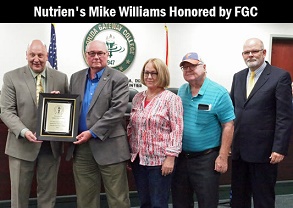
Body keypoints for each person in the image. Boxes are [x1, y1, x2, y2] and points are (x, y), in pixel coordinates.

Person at [0, 39, 69, 208]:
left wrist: (59, 100)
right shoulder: (11, 77)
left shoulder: (61, 78)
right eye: (32, 55)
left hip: (50, 147)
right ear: (26, 55)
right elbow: (6, 111)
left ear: (47, 56)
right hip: (21, 145)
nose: (36, 59)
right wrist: (23, 131)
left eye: (40, 55)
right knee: (19, 197)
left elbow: (68, 109)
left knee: (48, 196)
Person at [65, 40, 131, 208]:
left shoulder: (119, 78)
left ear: (107, 55)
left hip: (110, 146)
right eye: (92, 53)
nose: (96, 57)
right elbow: (70, 106)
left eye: (100, 53)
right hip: (81, 148)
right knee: (85, 199)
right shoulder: (76, 77)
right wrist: (57, 99)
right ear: (86, 55)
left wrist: (92, 132)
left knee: (118, 199)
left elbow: (117, 111)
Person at [230, 37, 293, 208]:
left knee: (263, 198)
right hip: (239, 151)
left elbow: (284, 116)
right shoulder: (238, 77)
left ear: (264, 52)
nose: (250, 55)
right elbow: (232, 112)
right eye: (246, 52)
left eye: (254, 51)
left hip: (264, 152)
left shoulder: (280, 76)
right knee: (238, 198)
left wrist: (279, 148)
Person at [171, 52, 235, 208]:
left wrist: (223, 156)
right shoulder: (182, 91)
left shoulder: (219, 92)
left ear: (204, 67)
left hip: (206, 159)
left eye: (192, 66)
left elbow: (229, 125)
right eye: (184, 67)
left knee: (207, 202)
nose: (188, 69)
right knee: (180, 202)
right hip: (181, 158)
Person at [127, 58, 183, 208]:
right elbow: (132, 127)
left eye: (154, 73)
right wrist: (130, 155)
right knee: (144, 201)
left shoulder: (172, 99)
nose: (149, 77)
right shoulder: (138, 98)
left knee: (158, 203)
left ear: (162, 74)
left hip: (159, 161)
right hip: (139, 159)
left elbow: (177, 130)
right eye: (146, 73)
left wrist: (170, 158)